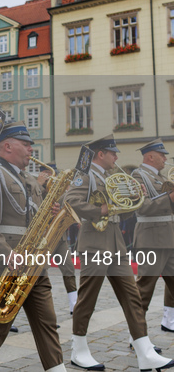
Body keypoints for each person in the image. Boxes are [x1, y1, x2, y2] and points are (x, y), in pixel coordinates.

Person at [65, 134, 174, 371]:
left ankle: (144, 350)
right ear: (100, 154)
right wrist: (99, 209)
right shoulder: (83, 175)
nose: (116, 156)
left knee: (132, 296)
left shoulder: (110, 176)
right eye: (112, 153)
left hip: (115, 241)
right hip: (94, 241)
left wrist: (130, 201)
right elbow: (70, 200)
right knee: (88, 298)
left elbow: (121, 212)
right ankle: (79, 348)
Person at [0, 122, 65, 372]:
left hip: (35, 262)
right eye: (26, 144)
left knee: (48, 321)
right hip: (8, 262)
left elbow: (32, 219)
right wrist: (7, 254)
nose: (30, 149)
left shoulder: (30, 179)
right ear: (7, 146)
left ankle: (57, 368)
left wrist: (50, 214)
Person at [131, 140, 174, 335]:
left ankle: (169, 320)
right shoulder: (138, 176)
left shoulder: (159, 176)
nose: (165, 158)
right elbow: (142, 207)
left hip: (168, 237)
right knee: (145, 289)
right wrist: (170, 198)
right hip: (151, 239)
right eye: (161, 155)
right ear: (150, 156)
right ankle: (137, 335)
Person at [37, 162, 78, 314]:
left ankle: (74, 305)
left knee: (69, 269)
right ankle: (43, 310)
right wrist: (39, 185)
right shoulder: (36, 188)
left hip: (59, 237)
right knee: (41, 273)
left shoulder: (61, 191)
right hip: (42, 238)